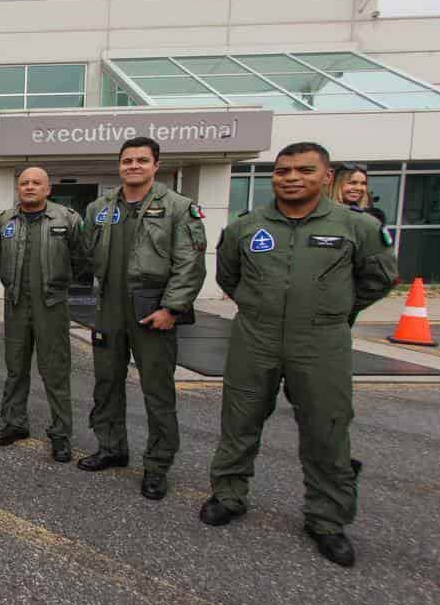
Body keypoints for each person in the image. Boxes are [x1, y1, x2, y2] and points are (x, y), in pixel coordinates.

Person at [202, 142, 397, 567]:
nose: (291, 177)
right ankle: (229, 495)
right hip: (256, 336)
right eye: (282, 170)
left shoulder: (356, 226)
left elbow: (380, 277)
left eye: (304, 170)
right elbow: (229, 276)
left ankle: (327, 519)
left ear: (327, 177)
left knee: (327, 428)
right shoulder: (246, 227)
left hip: (321, 341)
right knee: (240, 420)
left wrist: (334, 309)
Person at [81, 137, 207, 501]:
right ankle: (111, 447)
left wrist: (173, 308)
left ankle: (157, 465)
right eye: (127, 161)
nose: (133, 166)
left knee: (157, 392)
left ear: (156, 165)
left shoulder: (179, 208)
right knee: (106, 383)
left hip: (153, 312)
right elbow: (89, 253)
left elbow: (190, 263)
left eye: (141, 160)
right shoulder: (100, 208)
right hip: (108, 309)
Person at [0, 166, 89, 462]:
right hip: (16, 304)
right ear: (18, 189)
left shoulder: (67, 219)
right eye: (24, 183)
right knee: (15, 369)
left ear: (48, 189)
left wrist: (58, 286)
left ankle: (61, 435)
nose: (30, 187)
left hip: (52, 306)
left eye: (36, 183)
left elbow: (82, 260)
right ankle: (14, 423)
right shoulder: (5, 221)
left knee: (55, 371)